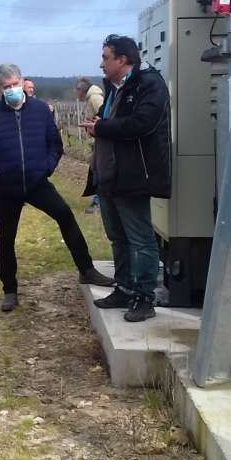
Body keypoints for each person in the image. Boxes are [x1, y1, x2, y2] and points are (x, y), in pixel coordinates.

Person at [0, 63, 114, 313]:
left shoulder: (40, 110)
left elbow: (55, 145)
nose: (12, 90)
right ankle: (10, 290)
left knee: (66, 216)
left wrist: (46, 168)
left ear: (22, 81)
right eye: (6, 87)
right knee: (6, 238)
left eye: (15, 84)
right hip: (6, 187)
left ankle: (87, 270)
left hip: (37, 183)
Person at [85, 34, 172, 323]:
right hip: (109, 175)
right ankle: (123, 288)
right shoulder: (114, 86)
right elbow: (108, 119)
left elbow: (142, 124)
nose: (101, 64)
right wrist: (99, 124)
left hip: (134, 175)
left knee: (140, 239)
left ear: (123, 60)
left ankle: (144, 297)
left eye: (106, 58)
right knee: (117, 236)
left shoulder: (150, 84)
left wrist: (103, 128)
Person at [76, 77, 106, 214]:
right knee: (96, 171)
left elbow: (105, 117)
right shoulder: (92, 98)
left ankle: (99, 202)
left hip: (100, 141)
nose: (77, 95)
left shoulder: (95, 99)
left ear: (82, 90)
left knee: (98, 172)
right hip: (97, 140)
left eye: (77, 91)